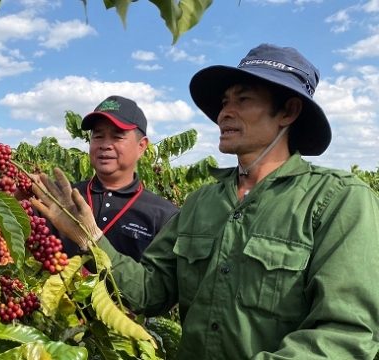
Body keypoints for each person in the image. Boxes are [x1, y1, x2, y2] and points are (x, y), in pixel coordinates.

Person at [31, 44, 379, 359]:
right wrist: (88, 235)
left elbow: (346, 334)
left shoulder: (338, 200)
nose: (224, 113)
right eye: (225, 102)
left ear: (288, 111)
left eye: (243, 100)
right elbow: (150, 291)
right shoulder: (202, 202)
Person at [44, 95, 179, 262]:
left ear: (141, 146)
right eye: (98, 136)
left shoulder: (164, 215)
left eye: (117, 137)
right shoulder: (61, 198)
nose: (105, 145)